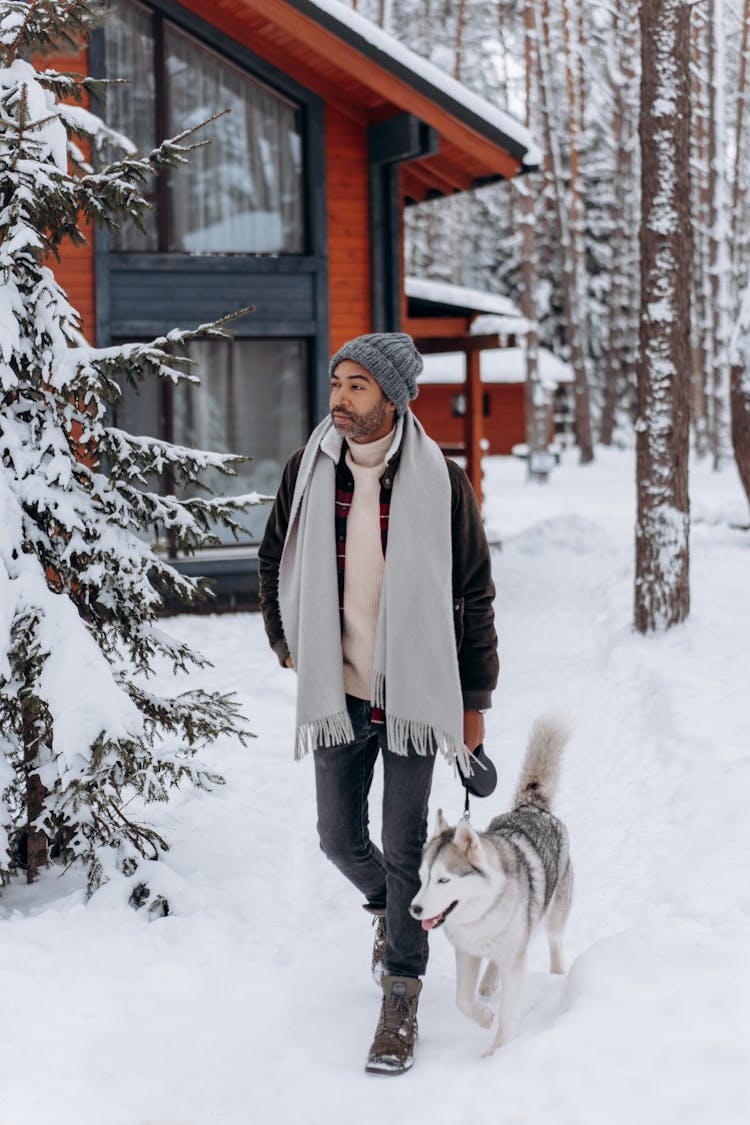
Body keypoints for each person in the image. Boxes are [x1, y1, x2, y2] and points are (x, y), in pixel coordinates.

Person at [258, 332, 499, 1075]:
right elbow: (273, 557)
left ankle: (402, 990)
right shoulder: (308, 468)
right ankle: (393, 910)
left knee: (403, 848)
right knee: (338, 836)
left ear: (392, 398)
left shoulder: (441, 480)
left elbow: (474, 593)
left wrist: (475, 701)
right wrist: (284, 637)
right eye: (337, 383)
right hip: (340, 685)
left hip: (416, 694)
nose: (340, 398)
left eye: (357, 385)